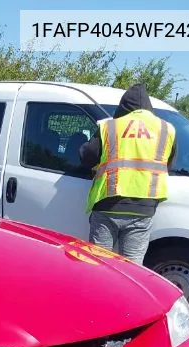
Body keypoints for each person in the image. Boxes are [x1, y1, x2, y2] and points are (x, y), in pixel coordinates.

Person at [79, 83, 177, 264]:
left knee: (99, 265)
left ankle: (101, 293)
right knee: (132, 268)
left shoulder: (110, 127)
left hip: (108, 204)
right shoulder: (166, 129)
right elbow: (166, 165)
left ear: (123, 107)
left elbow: (87, 157)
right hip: (143, 208)